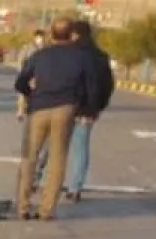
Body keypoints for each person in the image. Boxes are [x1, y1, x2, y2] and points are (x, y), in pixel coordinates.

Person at [13, 17, 95, 221]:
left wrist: (30, 95)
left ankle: (23, 206)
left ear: (51, 34)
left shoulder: (40, 56)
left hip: (39, 108)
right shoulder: (80, 58)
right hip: (65, 109)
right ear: (71, 35)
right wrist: (83, 108)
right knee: (57, 160)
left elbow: (21, 81)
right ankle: (47, 209)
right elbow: (88, 87)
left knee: (29, 157)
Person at [34, 19, 114, 202]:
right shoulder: (100, 56)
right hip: (87, 111)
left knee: (51, 146)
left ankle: (41, 181)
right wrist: (96, 108)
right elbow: (107, 85)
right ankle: (75, 188)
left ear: (74, 34)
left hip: (64, 105)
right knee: (80, 148)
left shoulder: (70, 54)